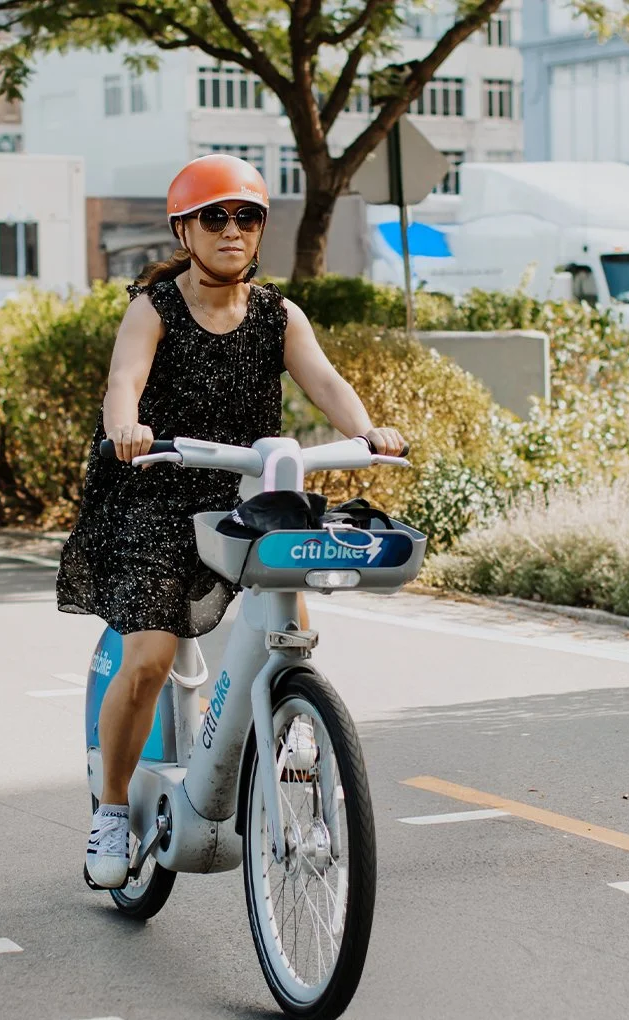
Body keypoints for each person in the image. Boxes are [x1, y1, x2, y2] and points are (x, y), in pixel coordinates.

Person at [56, 154, 405, 888]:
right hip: (155, 490)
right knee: (149, 657)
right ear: (184, 229)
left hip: (247, 493)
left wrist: (368, 431)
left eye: (246, 216)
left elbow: (327, 381)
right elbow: (125, 384)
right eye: (214, 216)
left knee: (291, 633)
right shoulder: (153, 309)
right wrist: (127, 429)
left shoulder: (279, 315)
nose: (232, 230)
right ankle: (112, 810)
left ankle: (292, 755)